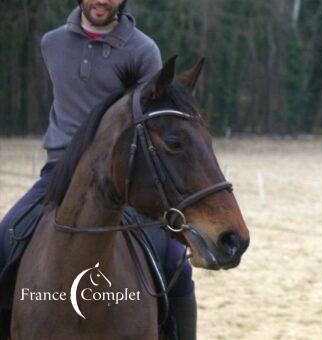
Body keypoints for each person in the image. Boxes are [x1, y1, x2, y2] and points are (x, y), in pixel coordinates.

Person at [0, 1, 196, 338]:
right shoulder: (52, 43)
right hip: (59, 172)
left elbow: (152, 120)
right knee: (3, 241)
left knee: (175, 260)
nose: (100, 0)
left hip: (123, 178)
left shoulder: (143, 50)